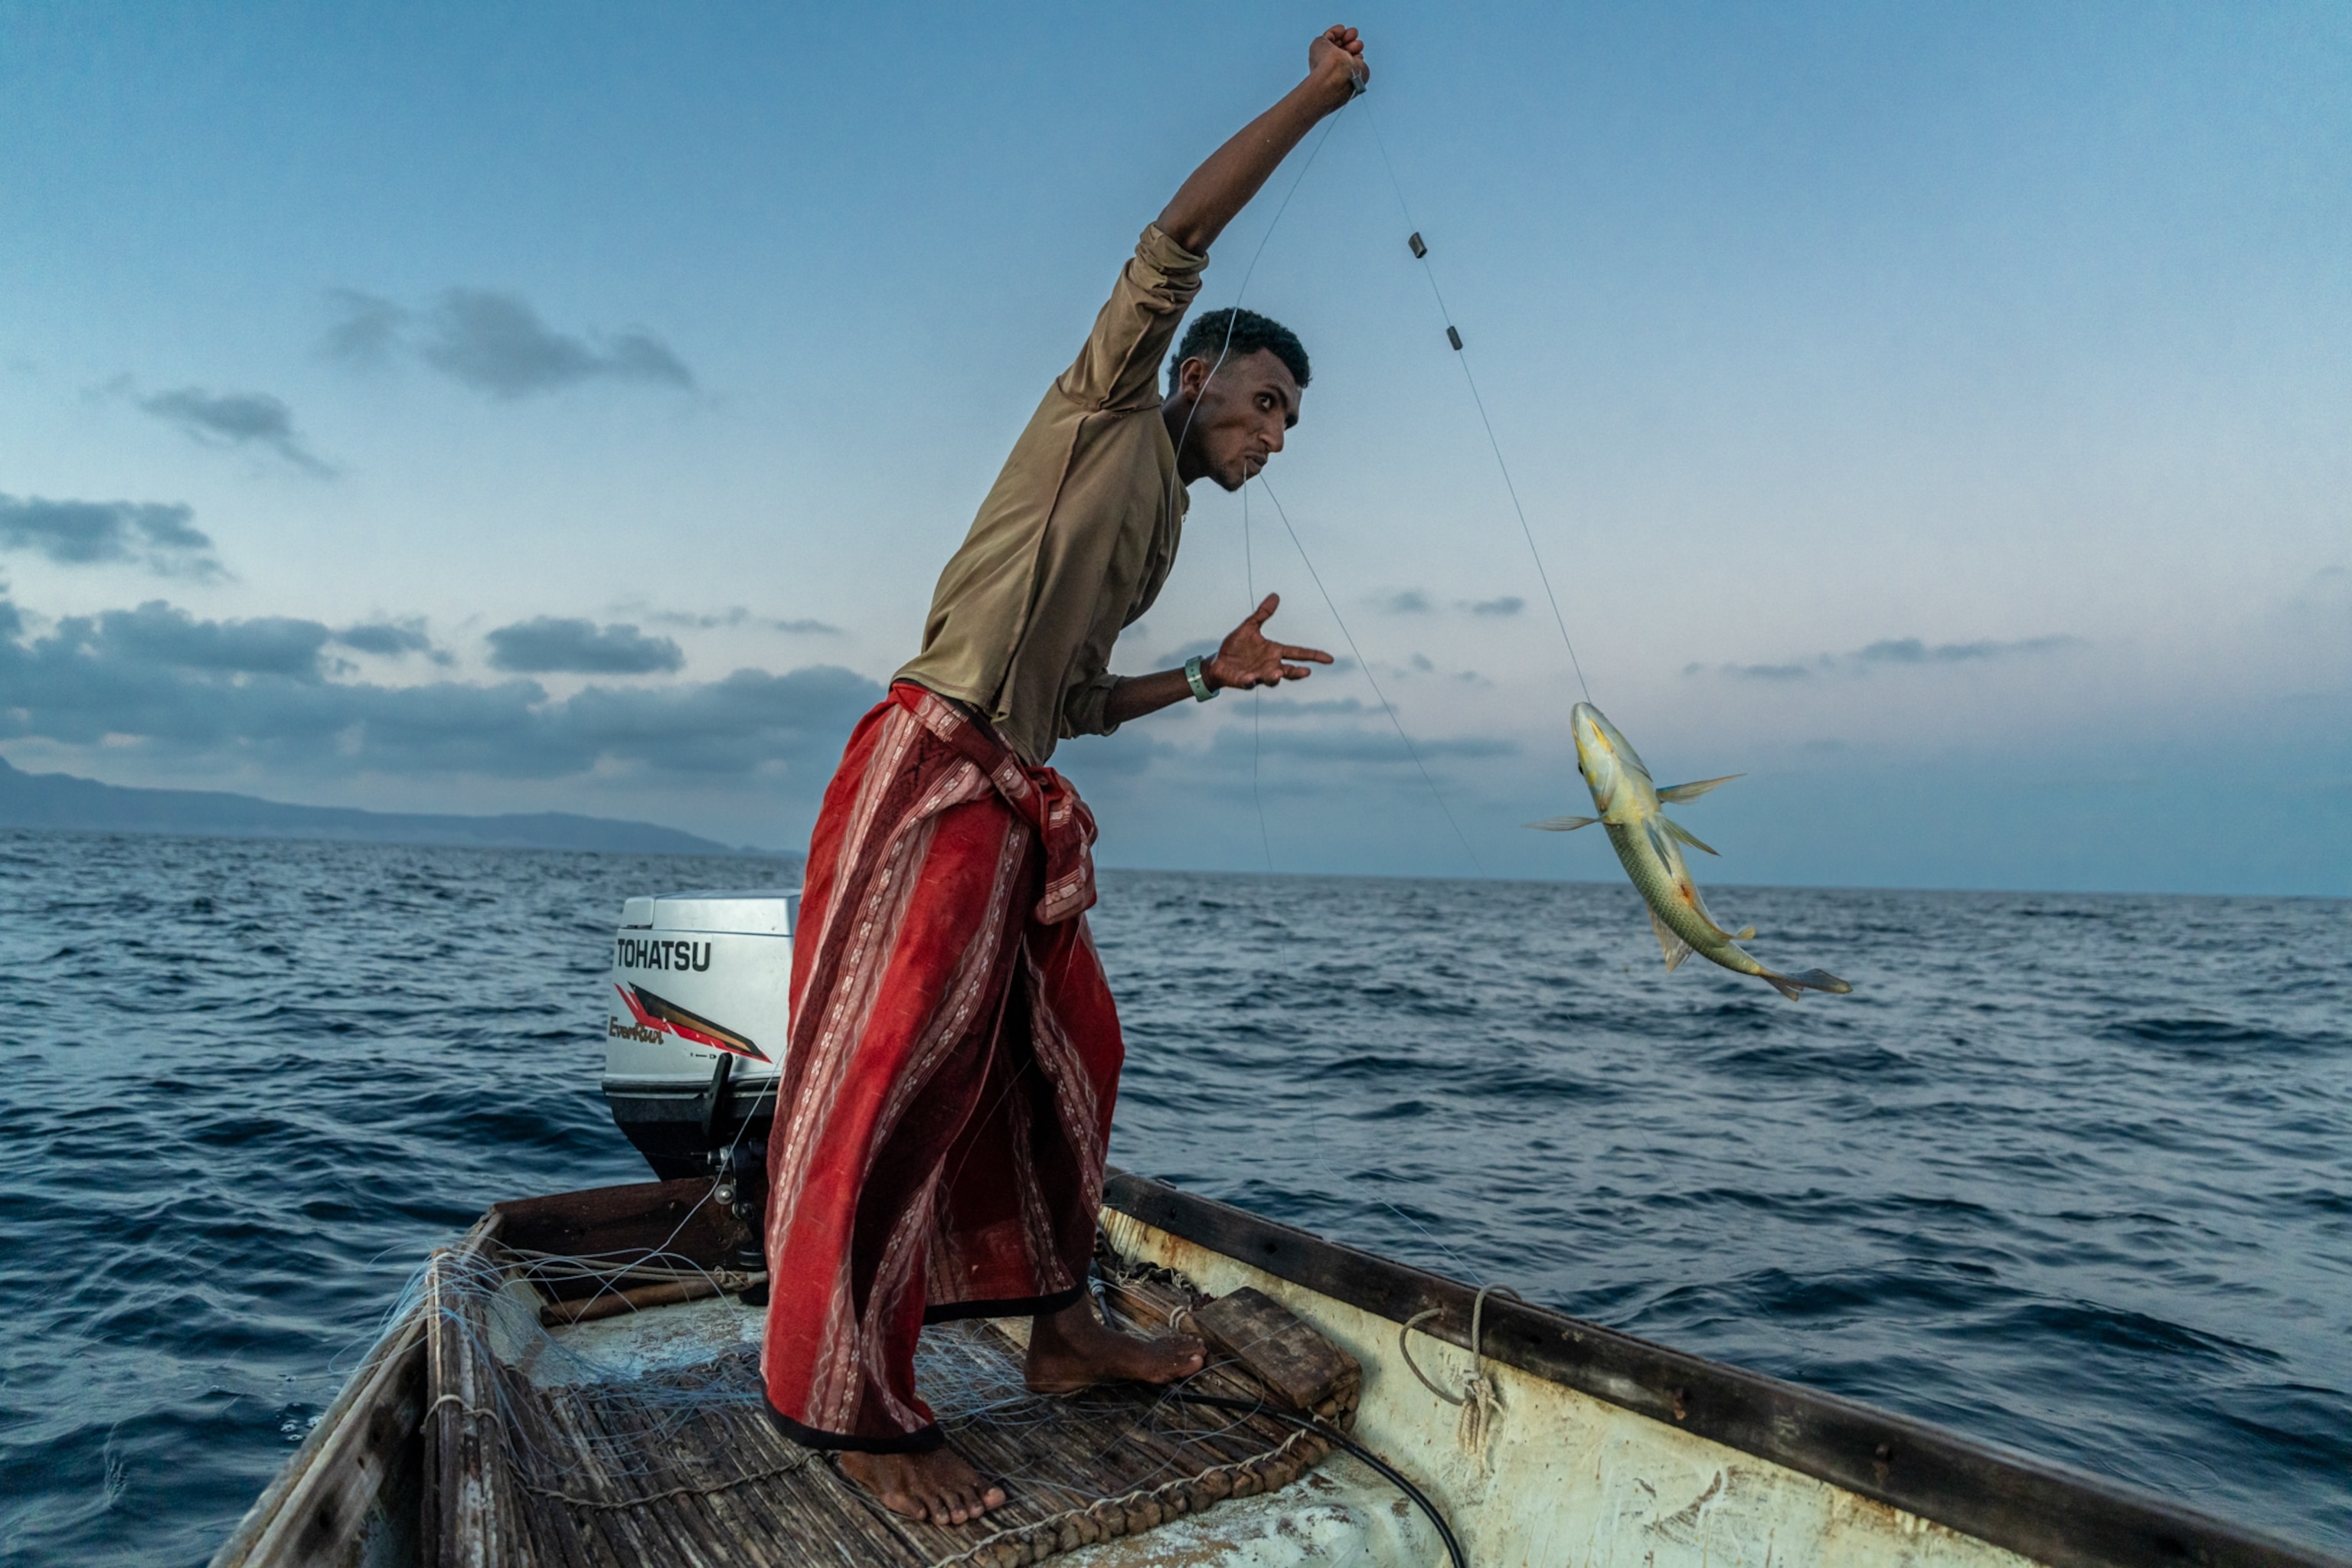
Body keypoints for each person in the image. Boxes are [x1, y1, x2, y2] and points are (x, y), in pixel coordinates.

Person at [760, 24, 1369, 1526]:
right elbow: (1175, 237)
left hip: (1013, 796)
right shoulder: (1106, 408)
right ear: (1200, 370)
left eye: (1291, 423)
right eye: (1268, 404)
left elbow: (1078, 695)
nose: (1277, 438)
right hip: (929, 778)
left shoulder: (1158, 524)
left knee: (1073, 1047)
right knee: (894, 1083)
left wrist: (1206, 677)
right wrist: (1316, 95)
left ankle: (1060, 1328)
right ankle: (852, 1410)